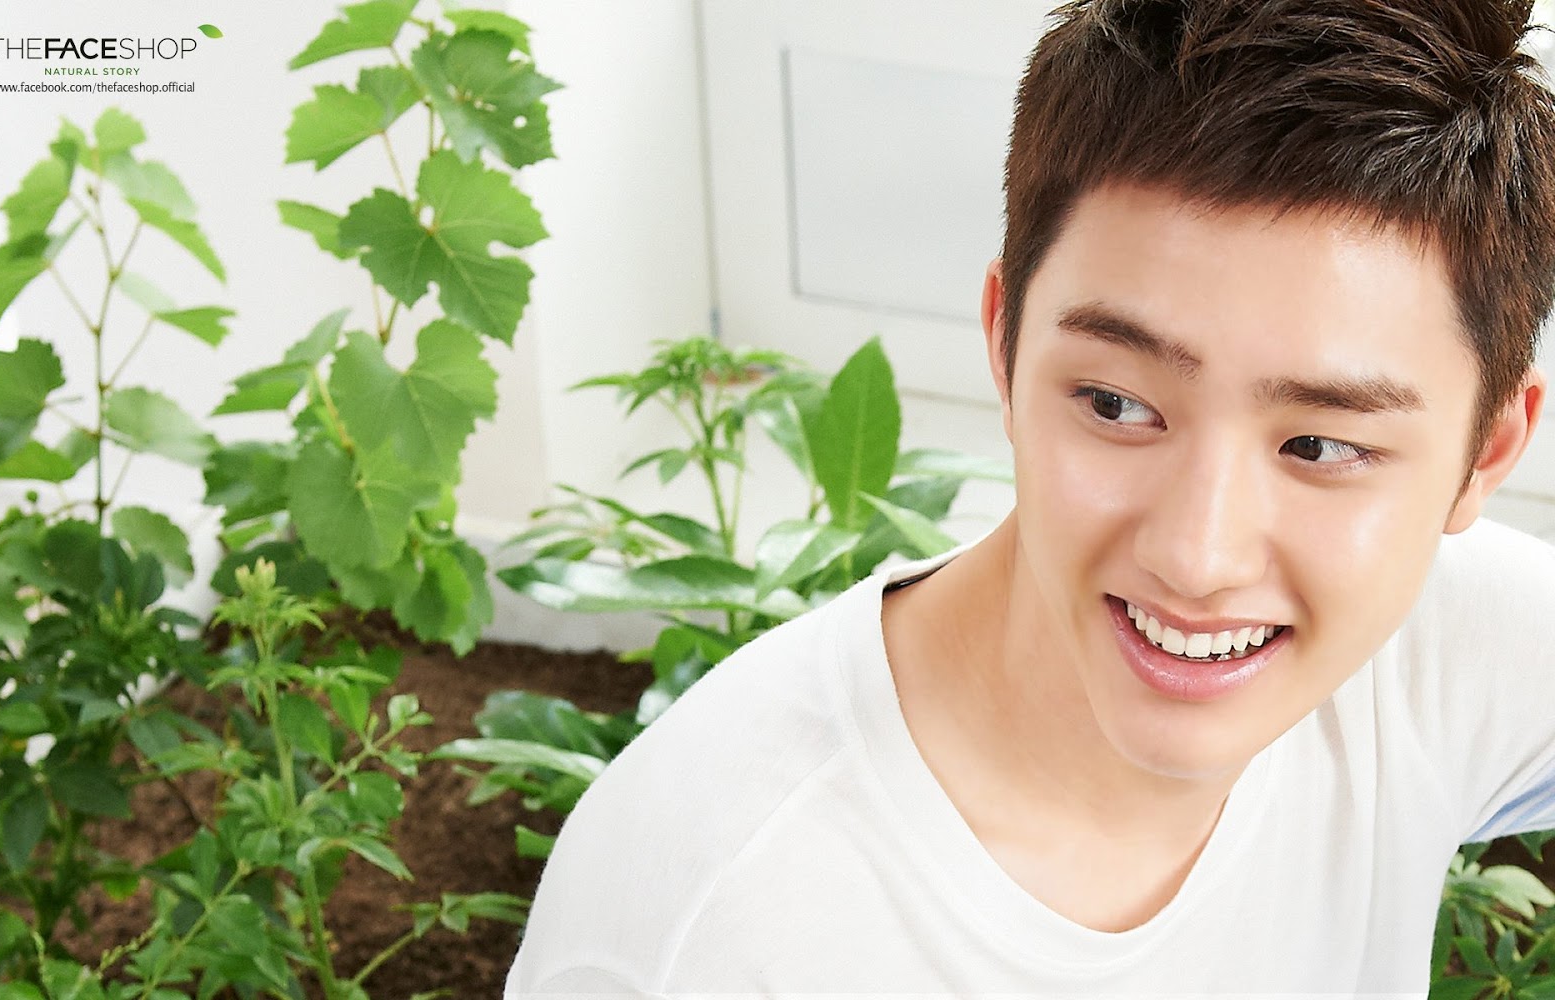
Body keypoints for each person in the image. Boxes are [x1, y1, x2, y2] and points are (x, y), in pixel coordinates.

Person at [505, 1, 1555, 995]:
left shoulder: (1443, 656)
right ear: (1004, 345)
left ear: (1486, 451)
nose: (1197, 557)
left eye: (1319, 447)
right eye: (1116, 404)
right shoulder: (709, 936)